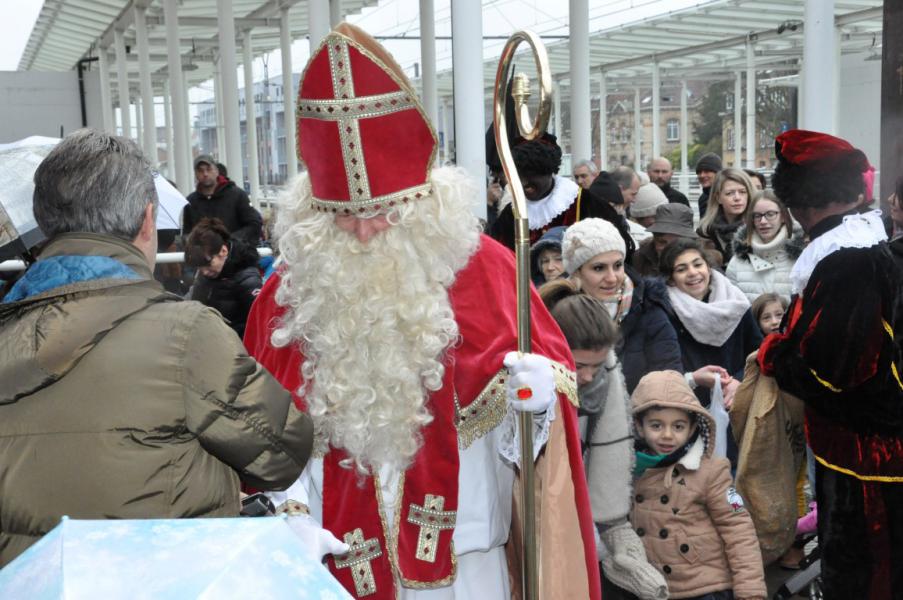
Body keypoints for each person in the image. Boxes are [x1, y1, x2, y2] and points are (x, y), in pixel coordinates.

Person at [243, 24, 601, 600]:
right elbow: (258, 433)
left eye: (383, 213)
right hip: (331, 553)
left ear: (422, 199)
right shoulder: (289, 292)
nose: (362, 232)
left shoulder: (484, 267)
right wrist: (288, 517)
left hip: (467, 554)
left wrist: (537, 401)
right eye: (342, 217)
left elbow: (538, 439)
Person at [0, 129, 315, 567]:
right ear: (148, 220)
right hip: (166, 577)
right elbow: (282, 454)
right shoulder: (184, 335)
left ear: (46, 221)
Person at [758, 129, 903, 599]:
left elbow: (835, 374)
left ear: (796, 199)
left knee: (866, 577)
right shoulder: (866, 242)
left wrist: (774, 354)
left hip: (867, 461)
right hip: (868, 450)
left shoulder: (846, 262)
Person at [541, 280, 668, 600]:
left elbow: (604, 476)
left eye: (596, 367)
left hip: (585, 514)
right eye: (579, 365)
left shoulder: (605, 381)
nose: (586, 377)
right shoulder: (529, 382)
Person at [630, 370, 767, 600]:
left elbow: (739, 529)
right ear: (639, 426)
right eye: (656, 425)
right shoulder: (629, 470)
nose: (667, 435)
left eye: (678, 426)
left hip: (705, 586)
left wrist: (750, 591)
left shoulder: (712, 471)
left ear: (693, 428)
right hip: (650, 587)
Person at [561, 218, 683, 393]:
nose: (612, 278)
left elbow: (670, 379)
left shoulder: (648, 308)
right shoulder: (554, 313)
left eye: (618, 265)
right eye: (598, 268)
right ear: (576, 271)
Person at [659, 239, 762, 414]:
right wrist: (693, 379)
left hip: (737, 404)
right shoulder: (663, 314)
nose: (693, 273)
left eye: (697, 264)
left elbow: (758, 353)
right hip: (685, 410)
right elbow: (659, 371)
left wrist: (738, 382)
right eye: (681, 269)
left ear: (708, 268)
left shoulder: (736, 303)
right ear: (671, 279)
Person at [490, 135, 633, 259]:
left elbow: (618, 249)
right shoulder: (510, 214)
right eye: (518, 175)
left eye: (531, 174)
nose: (524, 182)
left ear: (549, 172)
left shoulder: (585, 203)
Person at [185, 217, 262, 337]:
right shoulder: (208, 274)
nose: (204, 272)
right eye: (200, 268)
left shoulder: (247, 279)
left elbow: (259, 321)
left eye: (208, 264)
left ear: (223, 251)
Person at [726, 190, 805, 303]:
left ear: (783, 216)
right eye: (757, 216)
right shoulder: (737, 263)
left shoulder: (801, 258)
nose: (763, 221)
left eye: (770, 214)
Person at [183, 155, 263, 246]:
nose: (205, 174)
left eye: (209, 169)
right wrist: (191, 241)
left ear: (216, 171)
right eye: (200, 171)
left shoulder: (237, 195)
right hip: (204, 256)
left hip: (235, 254)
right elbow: (187, 231)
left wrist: (230, 241)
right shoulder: (190, 201)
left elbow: (254, 224)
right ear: (196, 175)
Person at [697, 168, 755, 264]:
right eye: (730, 193)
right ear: (718, 198)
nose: (737, 198)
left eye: (742, 192)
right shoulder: (705, 231)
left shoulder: (757, 226)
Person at [632, 203, 704, 278]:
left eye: (675, 243)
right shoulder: (640, 258)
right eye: (662, 242)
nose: (668, 248)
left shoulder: (704, 259)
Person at [694, 152, 722, 219]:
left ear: (718, 173)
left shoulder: (726, 195)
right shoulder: (703, 198)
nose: (702, 175)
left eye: (707, 171)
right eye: (699, 172)